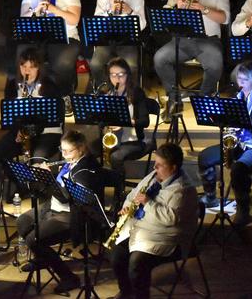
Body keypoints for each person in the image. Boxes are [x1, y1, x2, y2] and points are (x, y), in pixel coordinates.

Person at [16, 130, 108, 293]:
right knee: (22, 221)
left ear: (80, 149)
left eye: (68, 151)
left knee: (33, 239)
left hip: (72, 215)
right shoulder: (68, 162)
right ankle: (44, 257)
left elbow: (67, 197)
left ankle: (68, 277)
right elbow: (54, 192)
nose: (64, 154)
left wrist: (48, 178)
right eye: (62, 150)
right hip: (53, 206)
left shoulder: (86, 169)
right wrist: (39, 176)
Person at [109, 142, 199, 299]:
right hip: (143, 231)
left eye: (159, 165)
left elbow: (170, 219)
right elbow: (134, 195)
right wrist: (128, 206)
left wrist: (148, 203)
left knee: (137, 264)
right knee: (116, 255)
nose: (154, 168)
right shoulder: (154, 177)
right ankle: (126, 292)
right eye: (155, 164)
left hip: (168, 238)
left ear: (173, 167)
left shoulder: (184, 190)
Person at [197, 61, 252, 225]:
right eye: (239, 79)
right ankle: (211, 197)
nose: (240, 83)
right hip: (241, 143)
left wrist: (247, 125)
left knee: (238, 169)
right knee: (205, 157)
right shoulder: (239, 97)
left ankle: (243, 210)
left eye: (244, 80)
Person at [153, 0, 230, 115]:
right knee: (159, 58)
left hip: (208, 40)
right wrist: (176, 7)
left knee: (216, 65)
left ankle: (203, 99)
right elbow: (164, 16)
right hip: (182, 40)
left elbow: (225, 18)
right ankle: (174, 99)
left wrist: (204, 9)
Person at [19, 0, 82, 97]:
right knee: (23, 55)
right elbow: (22, 18)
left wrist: (55, 9)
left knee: (61, 62)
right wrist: (36, 10)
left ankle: (64, 96)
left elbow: (74, 19)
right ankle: (29, 93)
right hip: (38, 37)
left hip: (66, 37)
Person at [0, 47, 62, 162]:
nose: (27, 71)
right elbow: (11, 115)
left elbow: (54, 116)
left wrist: (33, 130)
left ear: (38, 67)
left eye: (31, 67)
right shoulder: (11, 85)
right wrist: (18, 131)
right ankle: (16, 178)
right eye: (24, 66)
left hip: (47, 131)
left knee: (38, 157)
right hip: (22, 130)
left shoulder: (50, 86)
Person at [90, 0, 147, 88]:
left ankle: (129, 95)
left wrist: (129, 11)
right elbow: (96, 21)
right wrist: (109, 11)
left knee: (132, 65)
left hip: (127, 40)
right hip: (106, 39)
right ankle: (107, 91)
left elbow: (142, 25)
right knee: (95, 64)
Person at [102, 58, 150, 207]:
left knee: (116, 157)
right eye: (113, 75)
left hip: (134, 140)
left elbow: (145, 121)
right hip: (113, 137)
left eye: (121, 74)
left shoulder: (136, 93)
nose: (117, 78)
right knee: (90, 150)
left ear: (128, 75)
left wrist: (126, 122)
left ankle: (119, 193)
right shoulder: (106, 92)